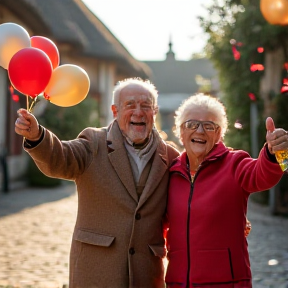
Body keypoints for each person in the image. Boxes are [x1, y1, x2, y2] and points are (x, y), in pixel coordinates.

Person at [15, 78, 179, 288]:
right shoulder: (93, 142)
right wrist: (38, 136)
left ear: (154, 111)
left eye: (145, 106)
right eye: (130, 105)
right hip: (96, 269)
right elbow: (61, 158)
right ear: (115, 110)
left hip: (146, 275)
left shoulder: (171, 157)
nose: (138, 112)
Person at [165, 93, 287, 288]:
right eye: (191, 124)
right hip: (178, 282)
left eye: (209, 126)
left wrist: (274, 154)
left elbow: (261, 175)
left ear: (219, 134)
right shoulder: (171, 173)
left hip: (226, 282)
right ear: (180, 132)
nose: (200, 130)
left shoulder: (235, 163)